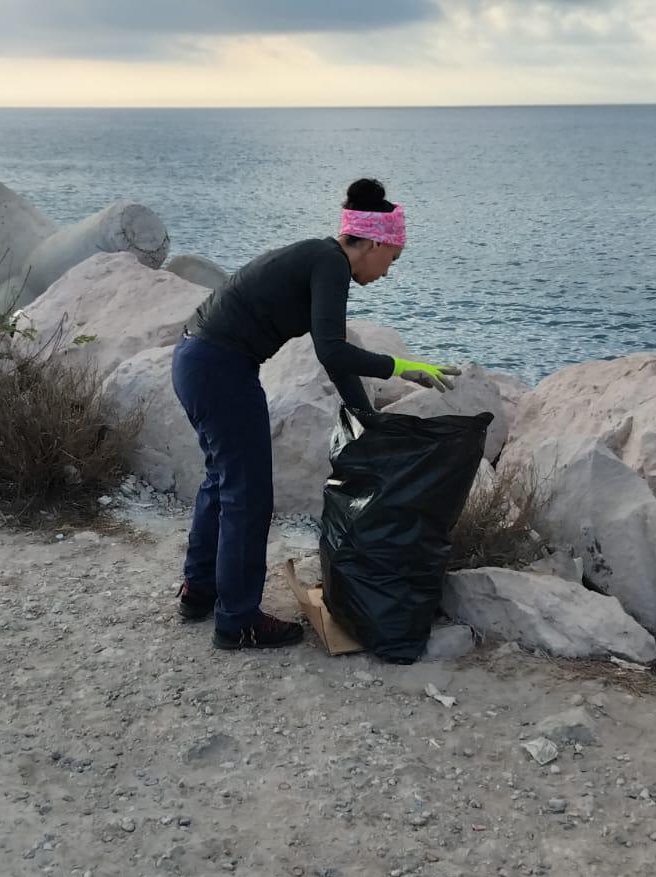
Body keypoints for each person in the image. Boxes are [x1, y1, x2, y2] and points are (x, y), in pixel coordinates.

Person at [173, 178, 459, 650]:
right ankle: (237, 621)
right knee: (248, 496)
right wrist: (402, 367)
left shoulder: (319, 259)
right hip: (221, 368)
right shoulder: (329, 263)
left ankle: (199, 591)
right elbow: (336, 350)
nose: (388, 271)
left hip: (195, 359)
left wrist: (366, 418)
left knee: (221, 481)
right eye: (392, 257)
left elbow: (334, 355)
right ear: (370, 243)